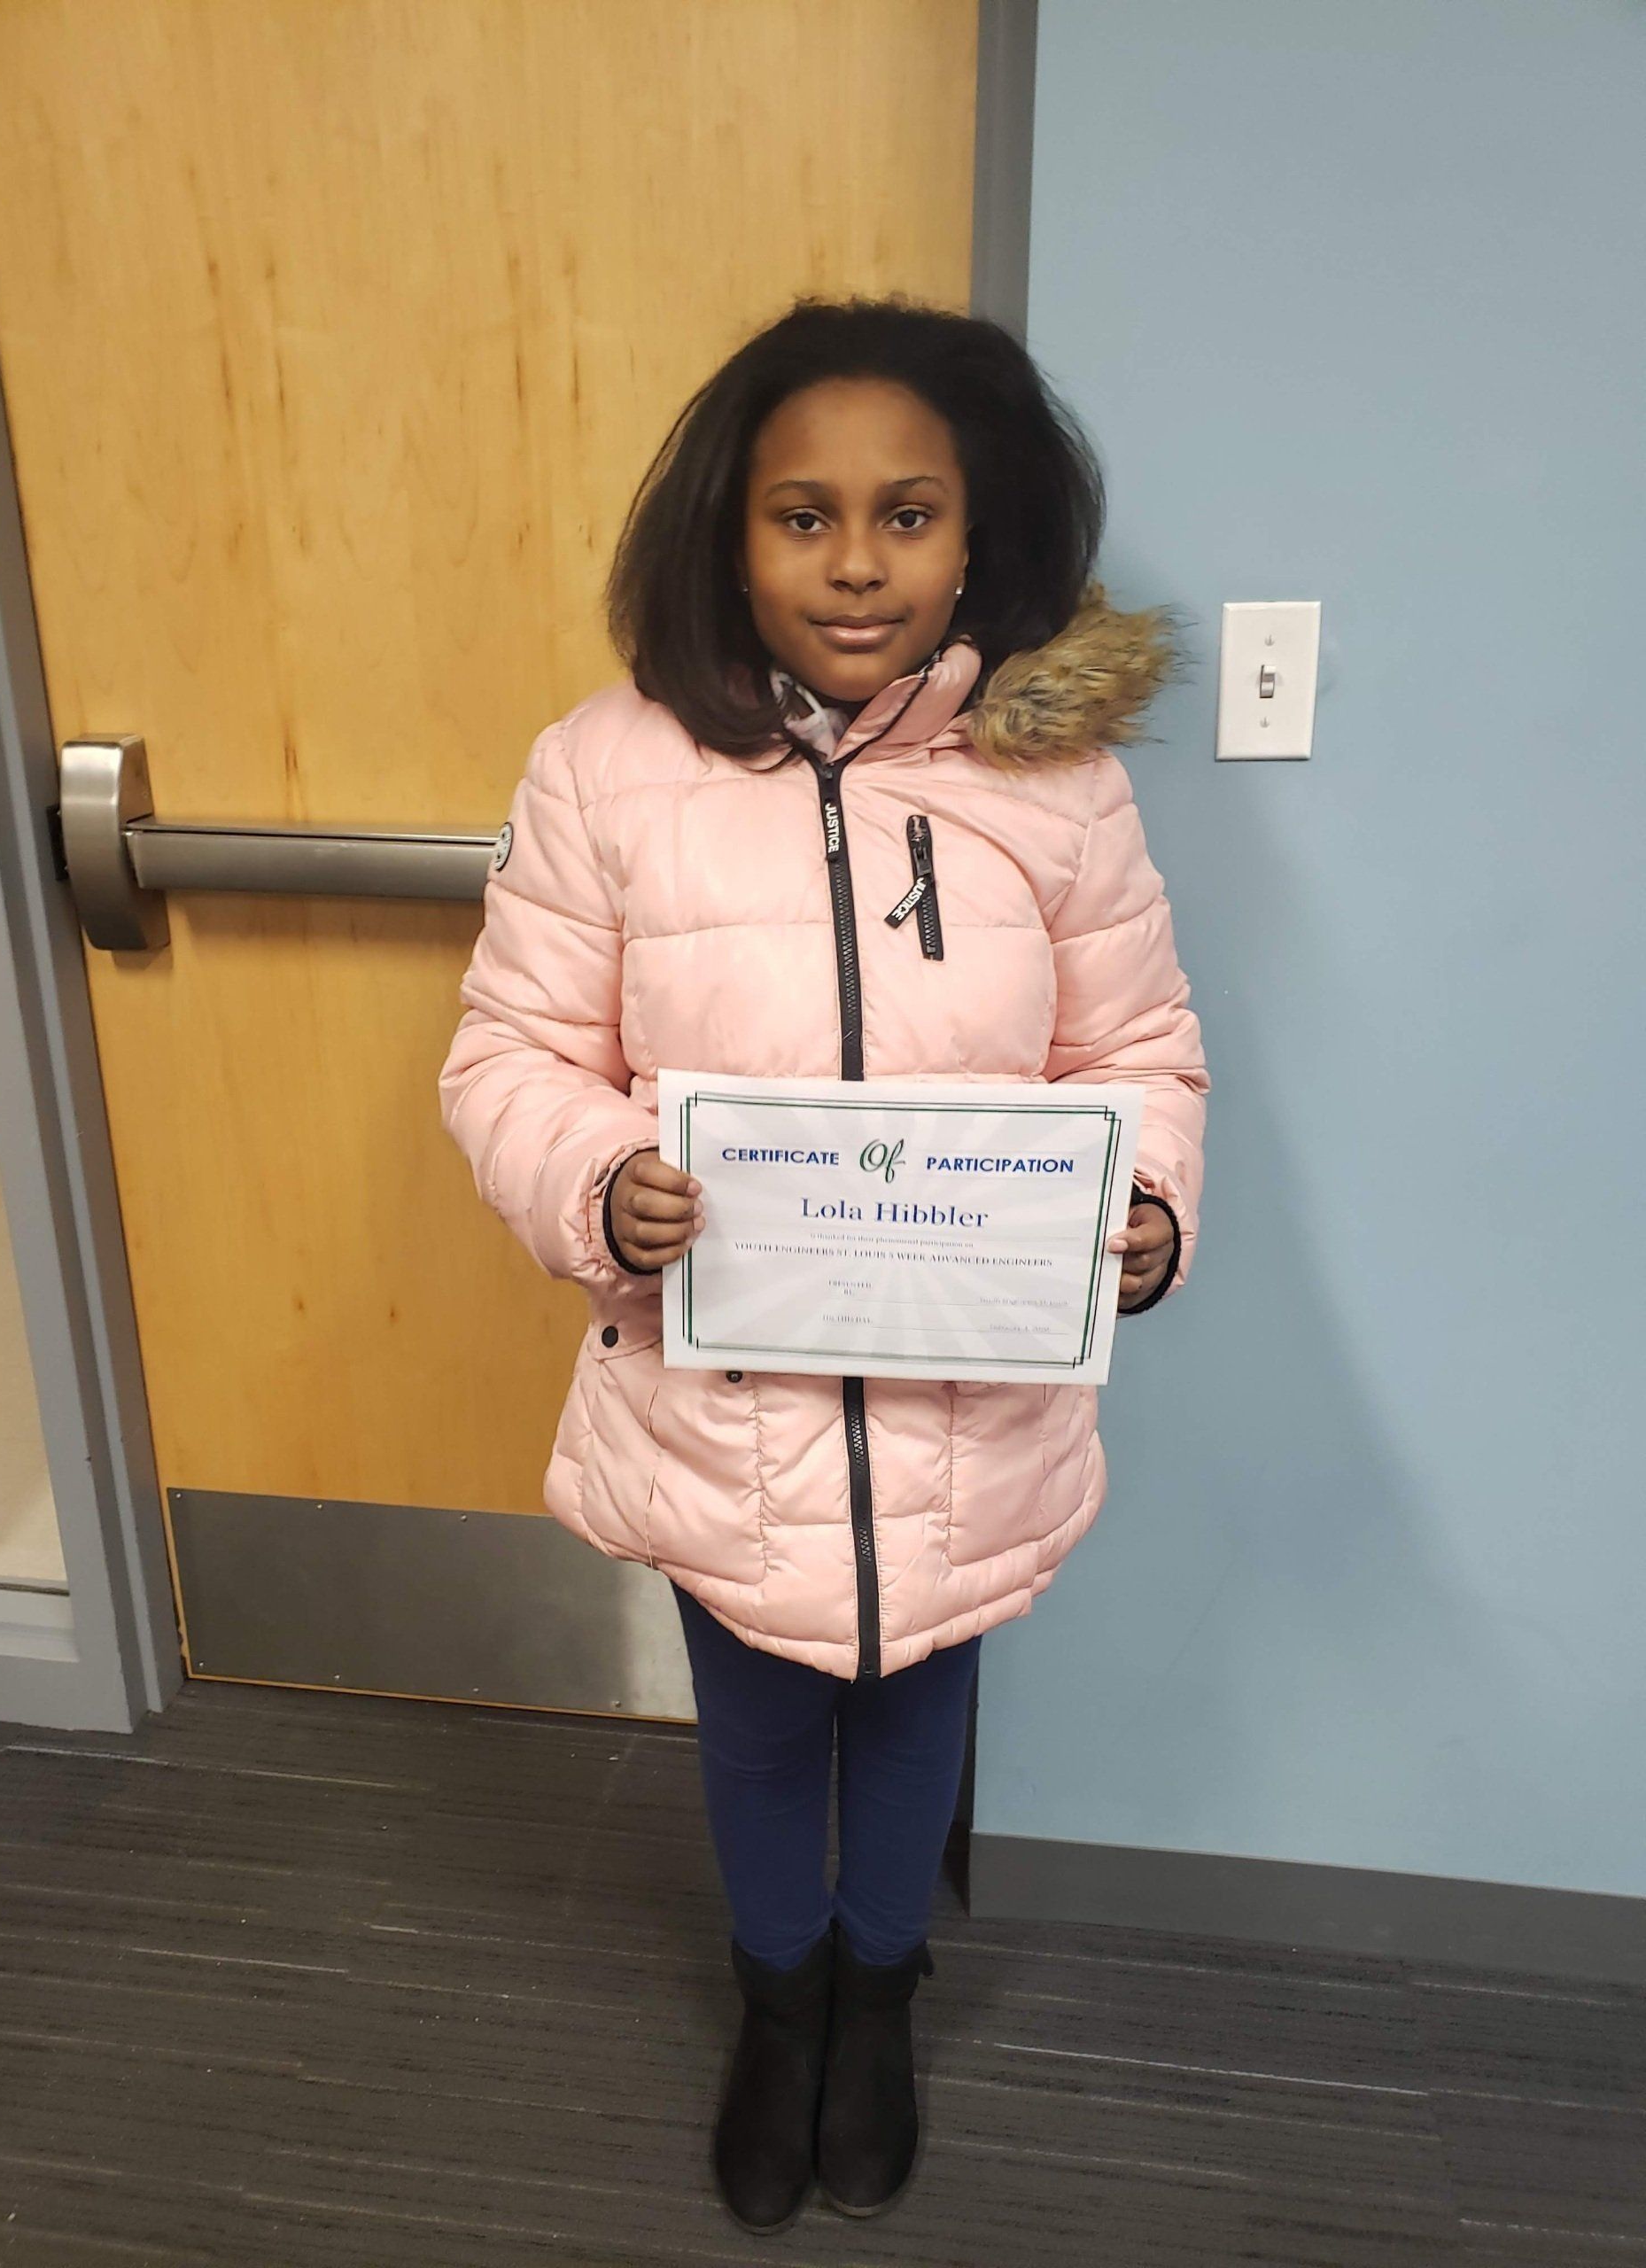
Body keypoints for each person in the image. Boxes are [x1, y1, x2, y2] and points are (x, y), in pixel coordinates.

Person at [438, 295, 1208, 2234]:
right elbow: (510, 1056)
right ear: (728, 528)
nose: (857, 559)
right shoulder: (607, 772)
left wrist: (1146, 1212)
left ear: (981, 531)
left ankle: (885, 1997)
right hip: (727, 1409)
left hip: (973, 1397)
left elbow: (1138, 1056)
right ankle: (779, 2006)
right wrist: (605, 1181)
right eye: (804, 513)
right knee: (764, 1717)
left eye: (906, 512)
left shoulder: (1062, 788)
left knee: (923, 1695)